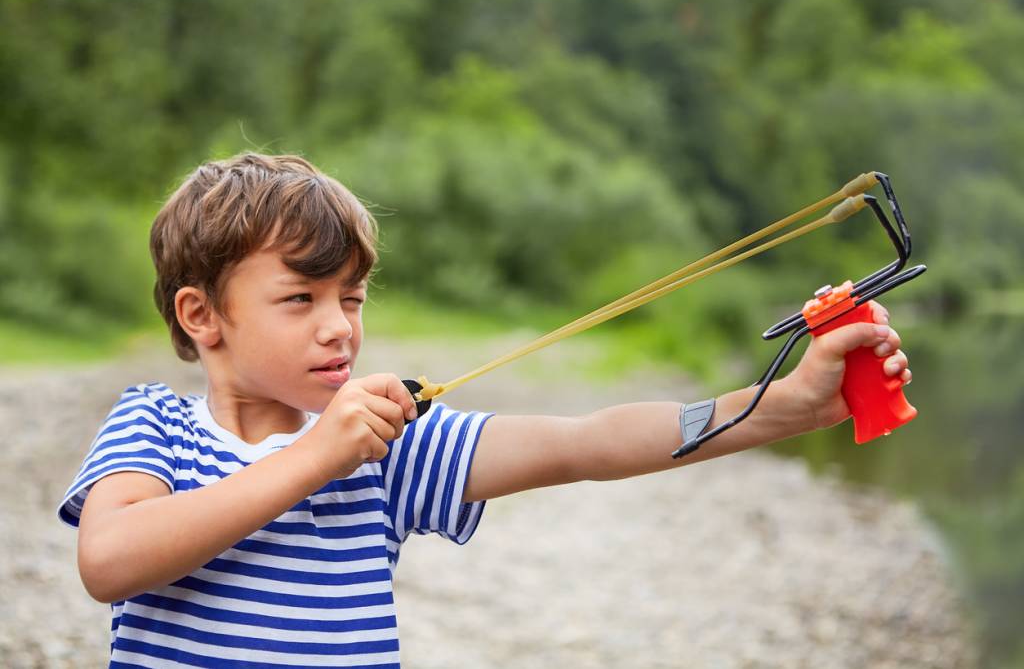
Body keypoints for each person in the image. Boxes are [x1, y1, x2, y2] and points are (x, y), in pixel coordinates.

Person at [58, 153, 912, 668]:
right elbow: (112, 561)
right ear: (202, 316)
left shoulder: (387, 444)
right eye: (300, 299)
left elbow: (586, 443)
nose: (338, 327)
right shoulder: (154, 426)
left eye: (351, 298)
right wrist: (317, 459)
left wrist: (789, 404)